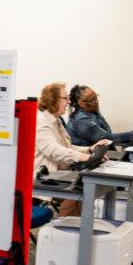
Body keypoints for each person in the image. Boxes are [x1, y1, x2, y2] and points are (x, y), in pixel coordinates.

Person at [36, 81, 110, 216]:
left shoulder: (56, 120)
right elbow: (53, 150)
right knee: (82, 189)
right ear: (53, 100)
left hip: (60, 174)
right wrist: (86, 158)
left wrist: (89, 150)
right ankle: (67, 229)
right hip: (44, 178)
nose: (69, 102)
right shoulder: (40, 121)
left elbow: (66, 147)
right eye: (65, 98)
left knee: (83, 186)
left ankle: (75, 228)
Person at [66, 84, 133, 146]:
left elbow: (108, 134)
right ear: (81, 103)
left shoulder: (93, 112)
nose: (96, 102)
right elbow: (106, 138)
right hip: (86, 161)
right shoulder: (81, 120)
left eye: (96, 97)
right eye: (91, 100)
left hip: (100, 154)